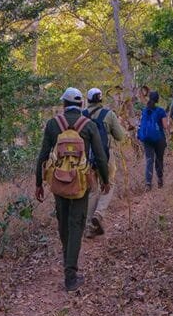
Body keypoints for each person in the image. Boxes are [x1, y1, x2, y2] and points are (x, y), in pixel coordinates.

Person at [35, 87, 110, 292]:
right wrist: (105, 180)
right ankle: (70, 275)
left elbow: (42, 156)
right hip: (81, 182)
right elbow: (100, 156)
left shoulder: (53, 124)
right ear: (81, 104)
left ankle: (68, 262)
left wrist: (38, 183)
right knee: (76, 223)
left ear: (64, 104)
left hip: (59, 181)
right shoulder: (89, 125)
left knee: (64, 222)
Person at [83, 87, 126, 237]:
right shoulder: (109, 114)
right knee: (109, 184)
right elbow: (120, 136)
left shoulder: (82, 115)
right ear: (101, 99)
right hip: (106, 156)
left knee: (92, 190)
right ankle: (99, 213)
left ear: (88, 99)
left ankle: (89, 227)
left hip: (86, 159)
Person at [137, 90, 168, 189]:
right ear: (157, 99)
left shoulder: (144, 110)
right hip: (159, 138)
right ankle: (160, 180)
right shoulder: (161, 111)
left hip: (147, 139)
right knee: (159, 159)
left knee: (149, 160)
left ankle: (148, 183)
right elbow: (165, 126)